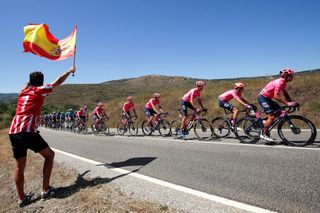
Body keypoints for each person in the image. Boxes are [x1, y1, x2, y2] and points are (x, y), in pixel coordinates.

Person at [8, 66, 76, 207]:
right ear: (41, 82)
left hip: (14, 131)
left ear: (29, 81)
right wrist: (69, 72)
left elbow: (27, 84)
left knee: (19, 167)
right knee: (50, 155)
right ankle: (45, 190)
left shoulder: (22, 91)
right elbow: (57, 83)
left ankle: (22, 199)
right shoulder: (39, 90)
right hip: (27, 130)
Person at [258, 68, 298, 141]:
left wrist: (292, 102)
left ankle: (264, 122)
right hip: (262, 98)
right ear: (285, 75)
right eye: (291, 75)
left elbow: (285, 94)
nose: (292, 77)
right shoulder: (280, 82)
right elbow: (276, 96)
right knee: (272, 117)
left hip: (268, 99)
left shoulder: (283, 82)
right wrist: (288, 103)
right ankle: (263, 133)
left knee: (280, 112)